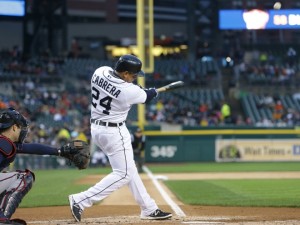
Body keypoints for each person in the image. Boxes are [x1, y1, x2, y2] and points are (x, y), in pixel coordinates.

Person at [68, 54, 172, 222]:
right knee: (123, 174)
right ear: (124, 73)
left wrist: (145, 91)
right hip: (114, 132)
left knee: (130, 170)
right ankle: (81, 200)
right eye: (133, 75)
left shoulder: (100, 71)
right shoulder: (129, 91)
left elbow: (134, 90)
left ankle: (148, 208)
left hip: (97, 129)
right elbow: (146, 96)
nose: (135, 77)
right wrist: (153, 91)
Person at [0, 108, 78, 225]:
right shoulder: (4, 143)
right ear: (14, 127)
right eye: (20, 127)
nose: (22, 131)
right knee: (24, 177)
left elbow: (31, 148)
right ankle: (2, 220)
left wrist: (59, 151)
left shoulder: (5, 142)